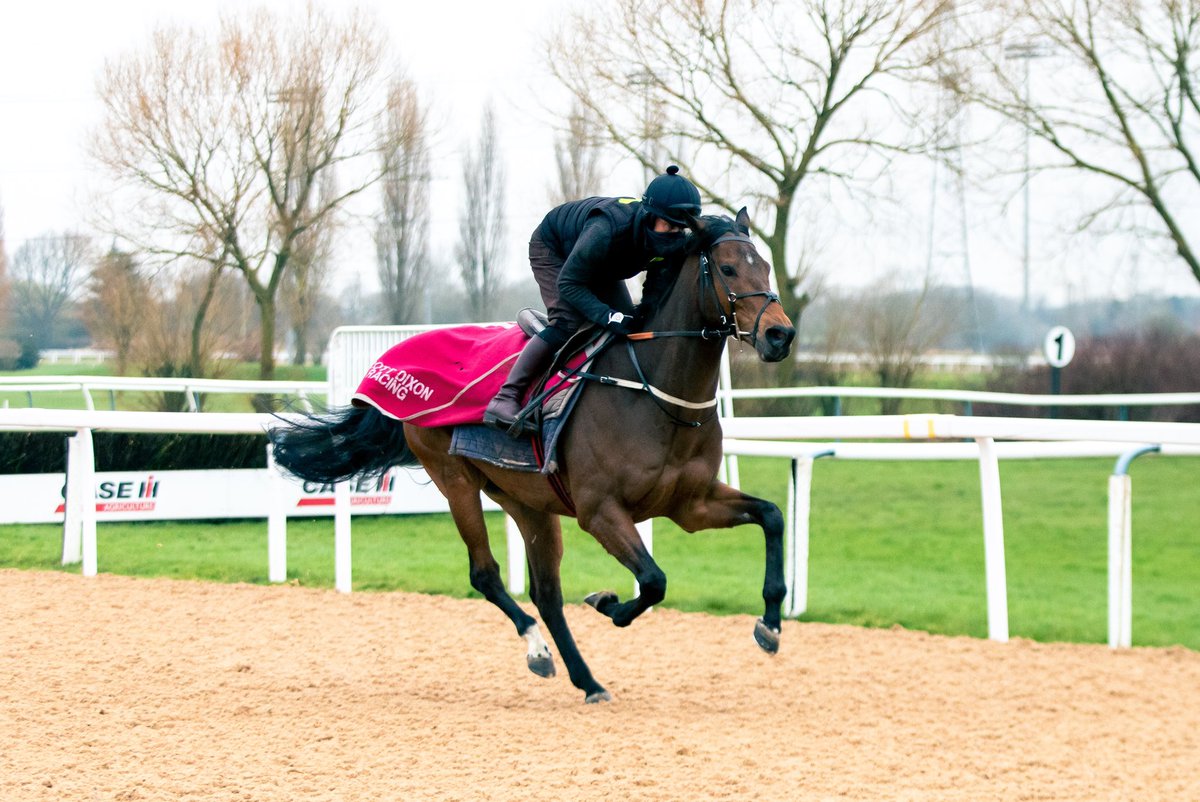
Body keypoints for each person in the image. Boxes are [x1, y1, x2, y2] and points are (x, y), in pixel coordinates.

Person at [483, 165, 703, 436]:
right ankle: (505, 398)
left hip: (603, 263)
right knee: (568, 321)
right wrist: (609, 315)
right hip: (555, 250)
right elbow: (569, 283)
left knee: (629, 328)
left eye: (680, 229)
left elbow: (656, 287)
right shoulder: (607, 228)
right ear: (650, 217)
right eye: (668, 225)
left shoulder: (667, 237)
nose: (674, 234)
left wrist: (642, 314)